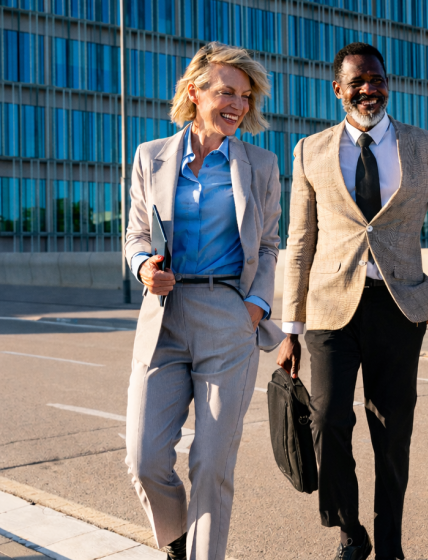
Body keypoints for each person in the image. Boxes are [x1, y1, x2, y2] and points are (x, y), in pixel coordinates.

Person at [276, 42, 428, 560]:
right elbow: (299, 244)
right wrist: (290, 328)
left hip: (400, 306)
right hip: (329, 310)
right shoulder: (308, 151)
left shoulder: (426, 146)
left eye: (378, 79)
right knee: (327, 420)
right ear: (338, 89)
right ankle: (350, 531)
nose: (371, 88)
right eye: (359, 81)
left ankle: (389, 545)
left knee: (392, 432)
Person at [123, 42, 283, 560]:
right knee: (144, 458)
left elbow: (268, 244)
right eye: (225, 92)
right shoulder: (151, 156)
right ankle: (176, 542)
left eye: (245, 95)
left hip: (228, 316)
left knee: (212, 464)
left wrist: (256, 306)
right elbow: (136, 235)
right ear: (194, 93)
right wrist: (145, 266)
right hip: (163, 319)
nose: (237, 104)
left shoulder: (260, 164)